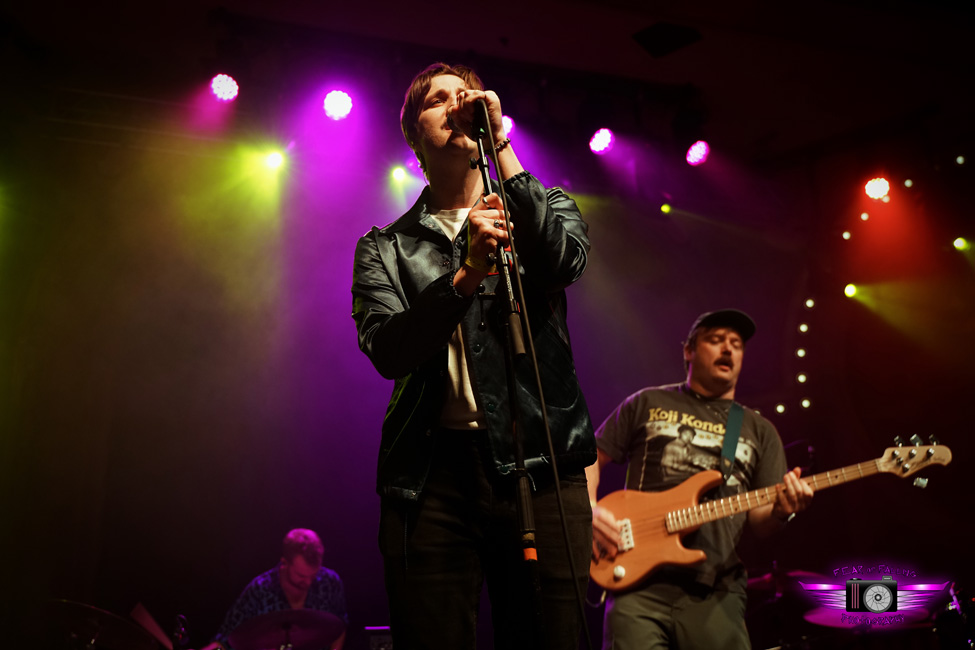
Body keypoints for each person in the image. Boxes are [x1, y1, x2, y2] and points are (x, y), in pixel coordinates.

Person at [351, 62, 596, 649]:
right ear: (414, 134)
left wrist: (503, 143)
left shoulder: (546, 205)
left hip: (540, 467)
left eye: (466, 97)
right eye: (440, 101)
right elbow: (390, 349)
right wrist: (466, 276)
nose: (457, 106)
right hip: (432, 482)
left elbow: (561, 264)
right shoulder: (384, 247)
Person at [586, 309, 814, 650]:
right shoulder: (649, 401)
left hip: (716, 589)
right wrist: (589, 509)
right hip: (637, 581)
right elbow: (589, 457)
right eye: (716, 340)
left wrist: (784, 510)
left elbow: (762, 522)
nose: (728, 349)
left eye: (736, 344)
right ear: (688, 350)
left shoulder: (758, 430)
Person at [202, 529, 348, 650]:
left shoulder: (329, 583)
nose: (308, 582)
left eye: (313, 575)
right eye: (301, 576)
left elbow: (339, 625)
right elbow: (226, 638)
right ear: (284, 563)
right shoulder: (260, 590)